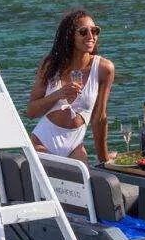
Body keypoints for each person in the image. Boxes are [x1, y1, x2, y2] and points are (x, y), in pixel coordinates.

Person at [27, 9, 116, 165]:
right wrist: (59, 94)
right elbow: (31, 112)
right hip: (42, 142)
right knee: (51, 176)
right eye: (83, 32)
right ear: (70, 36)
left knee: (85, 179)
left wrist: (104, 160)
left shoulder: (104, 69)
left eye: (95, 31)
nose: (91, 36)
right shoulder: (50, 65)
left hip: (75, 146)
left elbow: (99, 118)